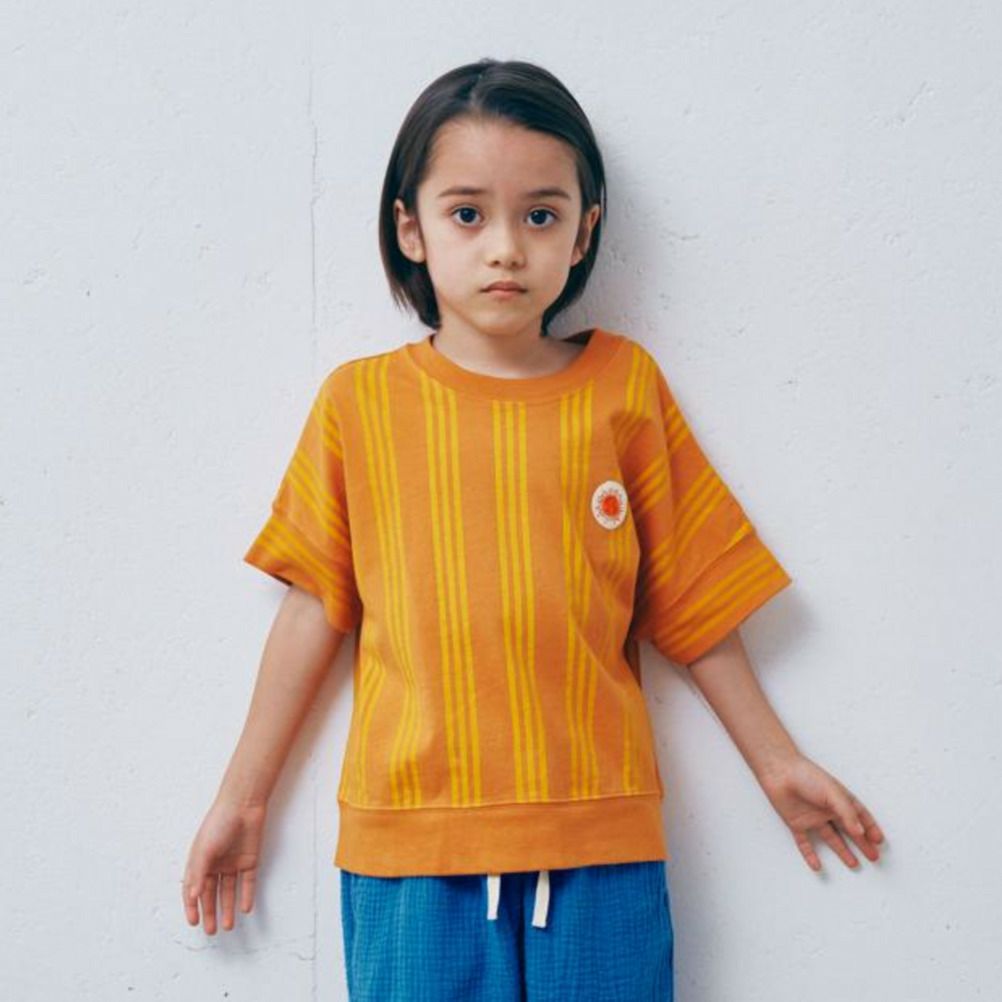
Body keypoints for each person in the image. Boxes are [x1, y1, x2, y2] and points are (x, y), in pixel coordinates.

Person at [181, 57, 886, 1000]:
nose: (506, 249)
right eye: (468, 214)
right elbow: (313, 610)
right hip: (412, 847)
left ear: (585, 229)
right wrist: (243, 797)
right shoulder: (359, 406)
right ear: (411, 228)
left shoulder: (624, 389)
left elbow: (694, 600)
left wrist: (778, 763)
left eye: (541, 216)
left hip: (599, 842)